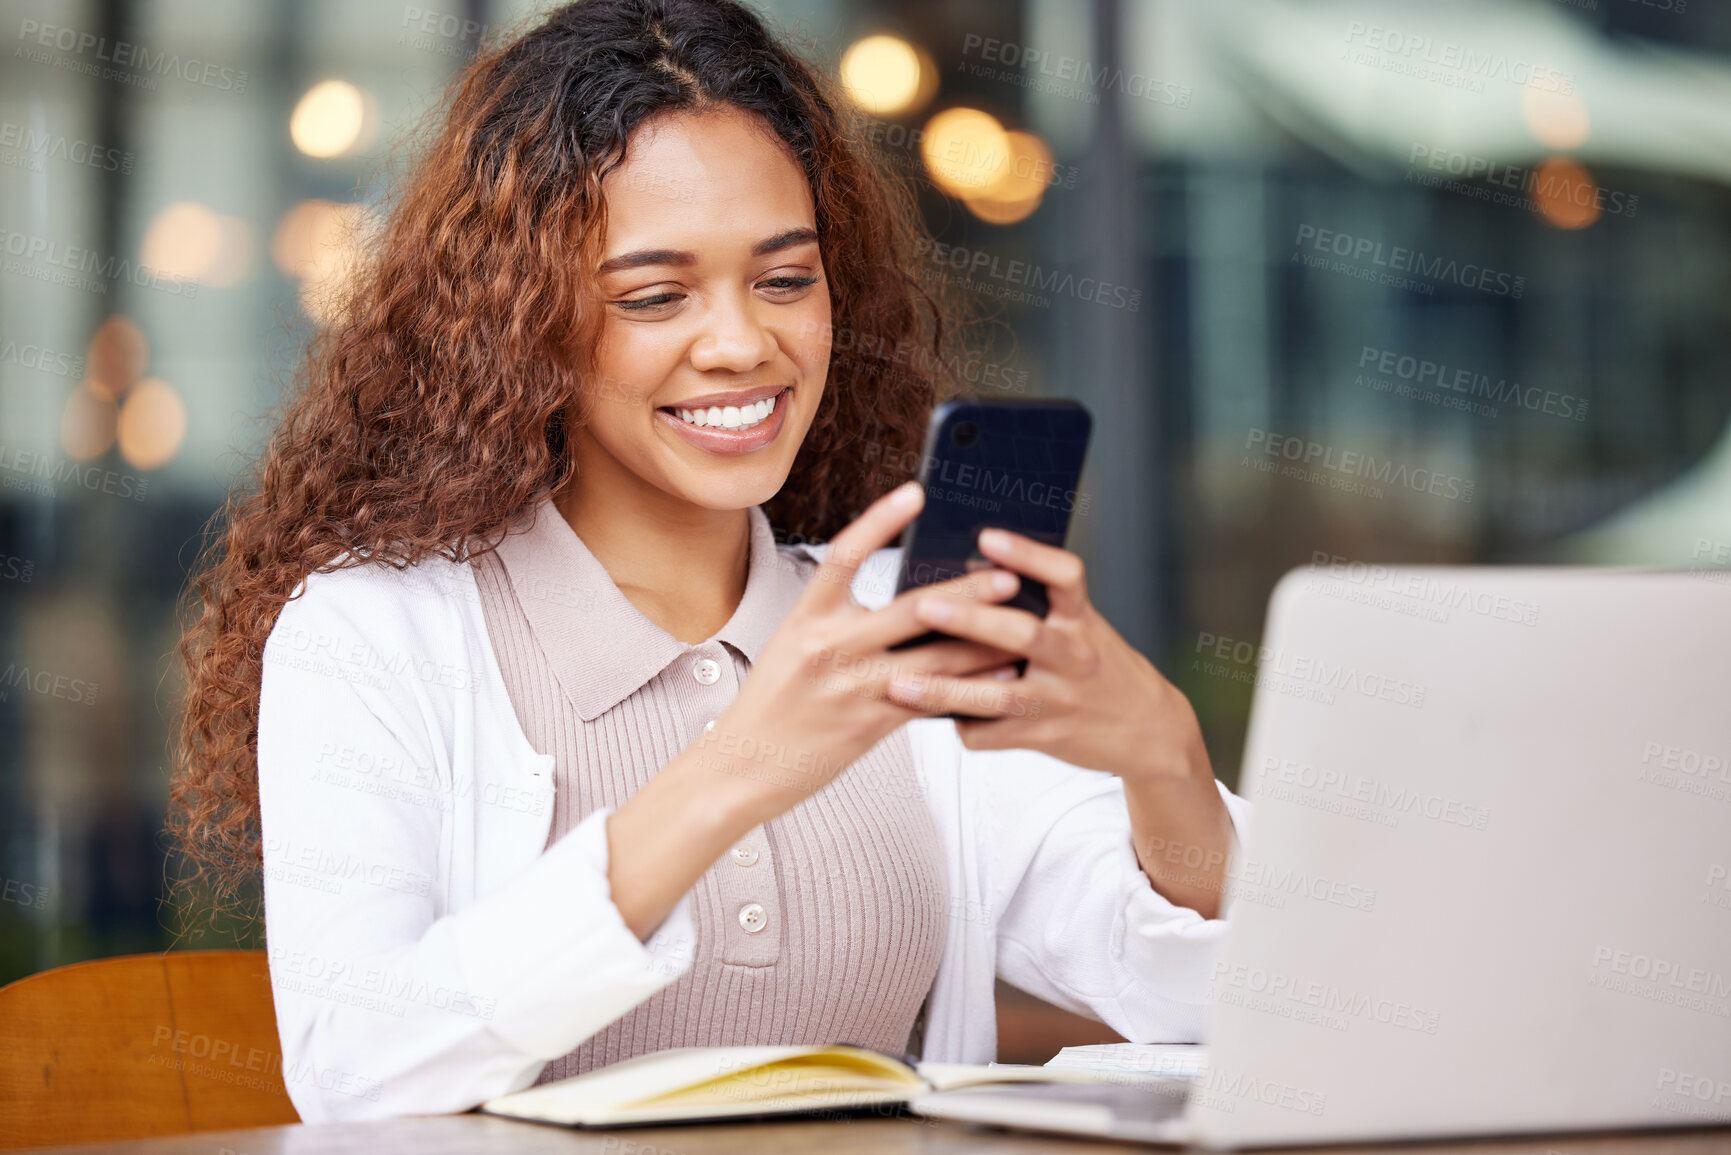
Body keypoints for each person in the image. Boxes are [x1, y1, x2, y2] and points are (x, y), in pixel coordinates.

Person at [170, 0, 1248, 1123]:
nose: (742, 344)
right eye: (654, 296)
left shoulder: (895, 622)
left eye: (785, 280)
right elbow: (357, 1068)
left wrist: (1164, 764)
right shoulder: (372, 633)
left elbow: (1207, 997)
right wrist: (735, 772)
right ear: (521, 322)